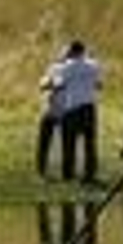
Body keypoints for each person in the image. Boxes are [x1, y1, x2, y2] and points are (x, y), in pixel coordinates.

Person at [55, 39, 102, 184]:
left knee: (69, 143)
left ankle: (68, 174)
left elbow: (59, 84)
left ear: (72, 51)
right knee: (90, 143)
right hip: (90, 107)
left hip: (73, 108)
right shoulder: (94, 65)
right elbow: (99, 85)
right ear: (83, 50)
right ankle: (90, 173)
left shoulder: (65, 67)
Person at [36, 54, 65, 179]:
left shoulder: (56, 69)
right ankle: (41, 168)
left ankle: (43, 168)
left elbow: (45, 85)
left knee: (47, 142)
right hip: (52, 111)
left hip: (58, 111)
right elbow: (43, 84)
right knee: (45, 141)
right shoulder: (53, 69)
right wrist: (51, 84)